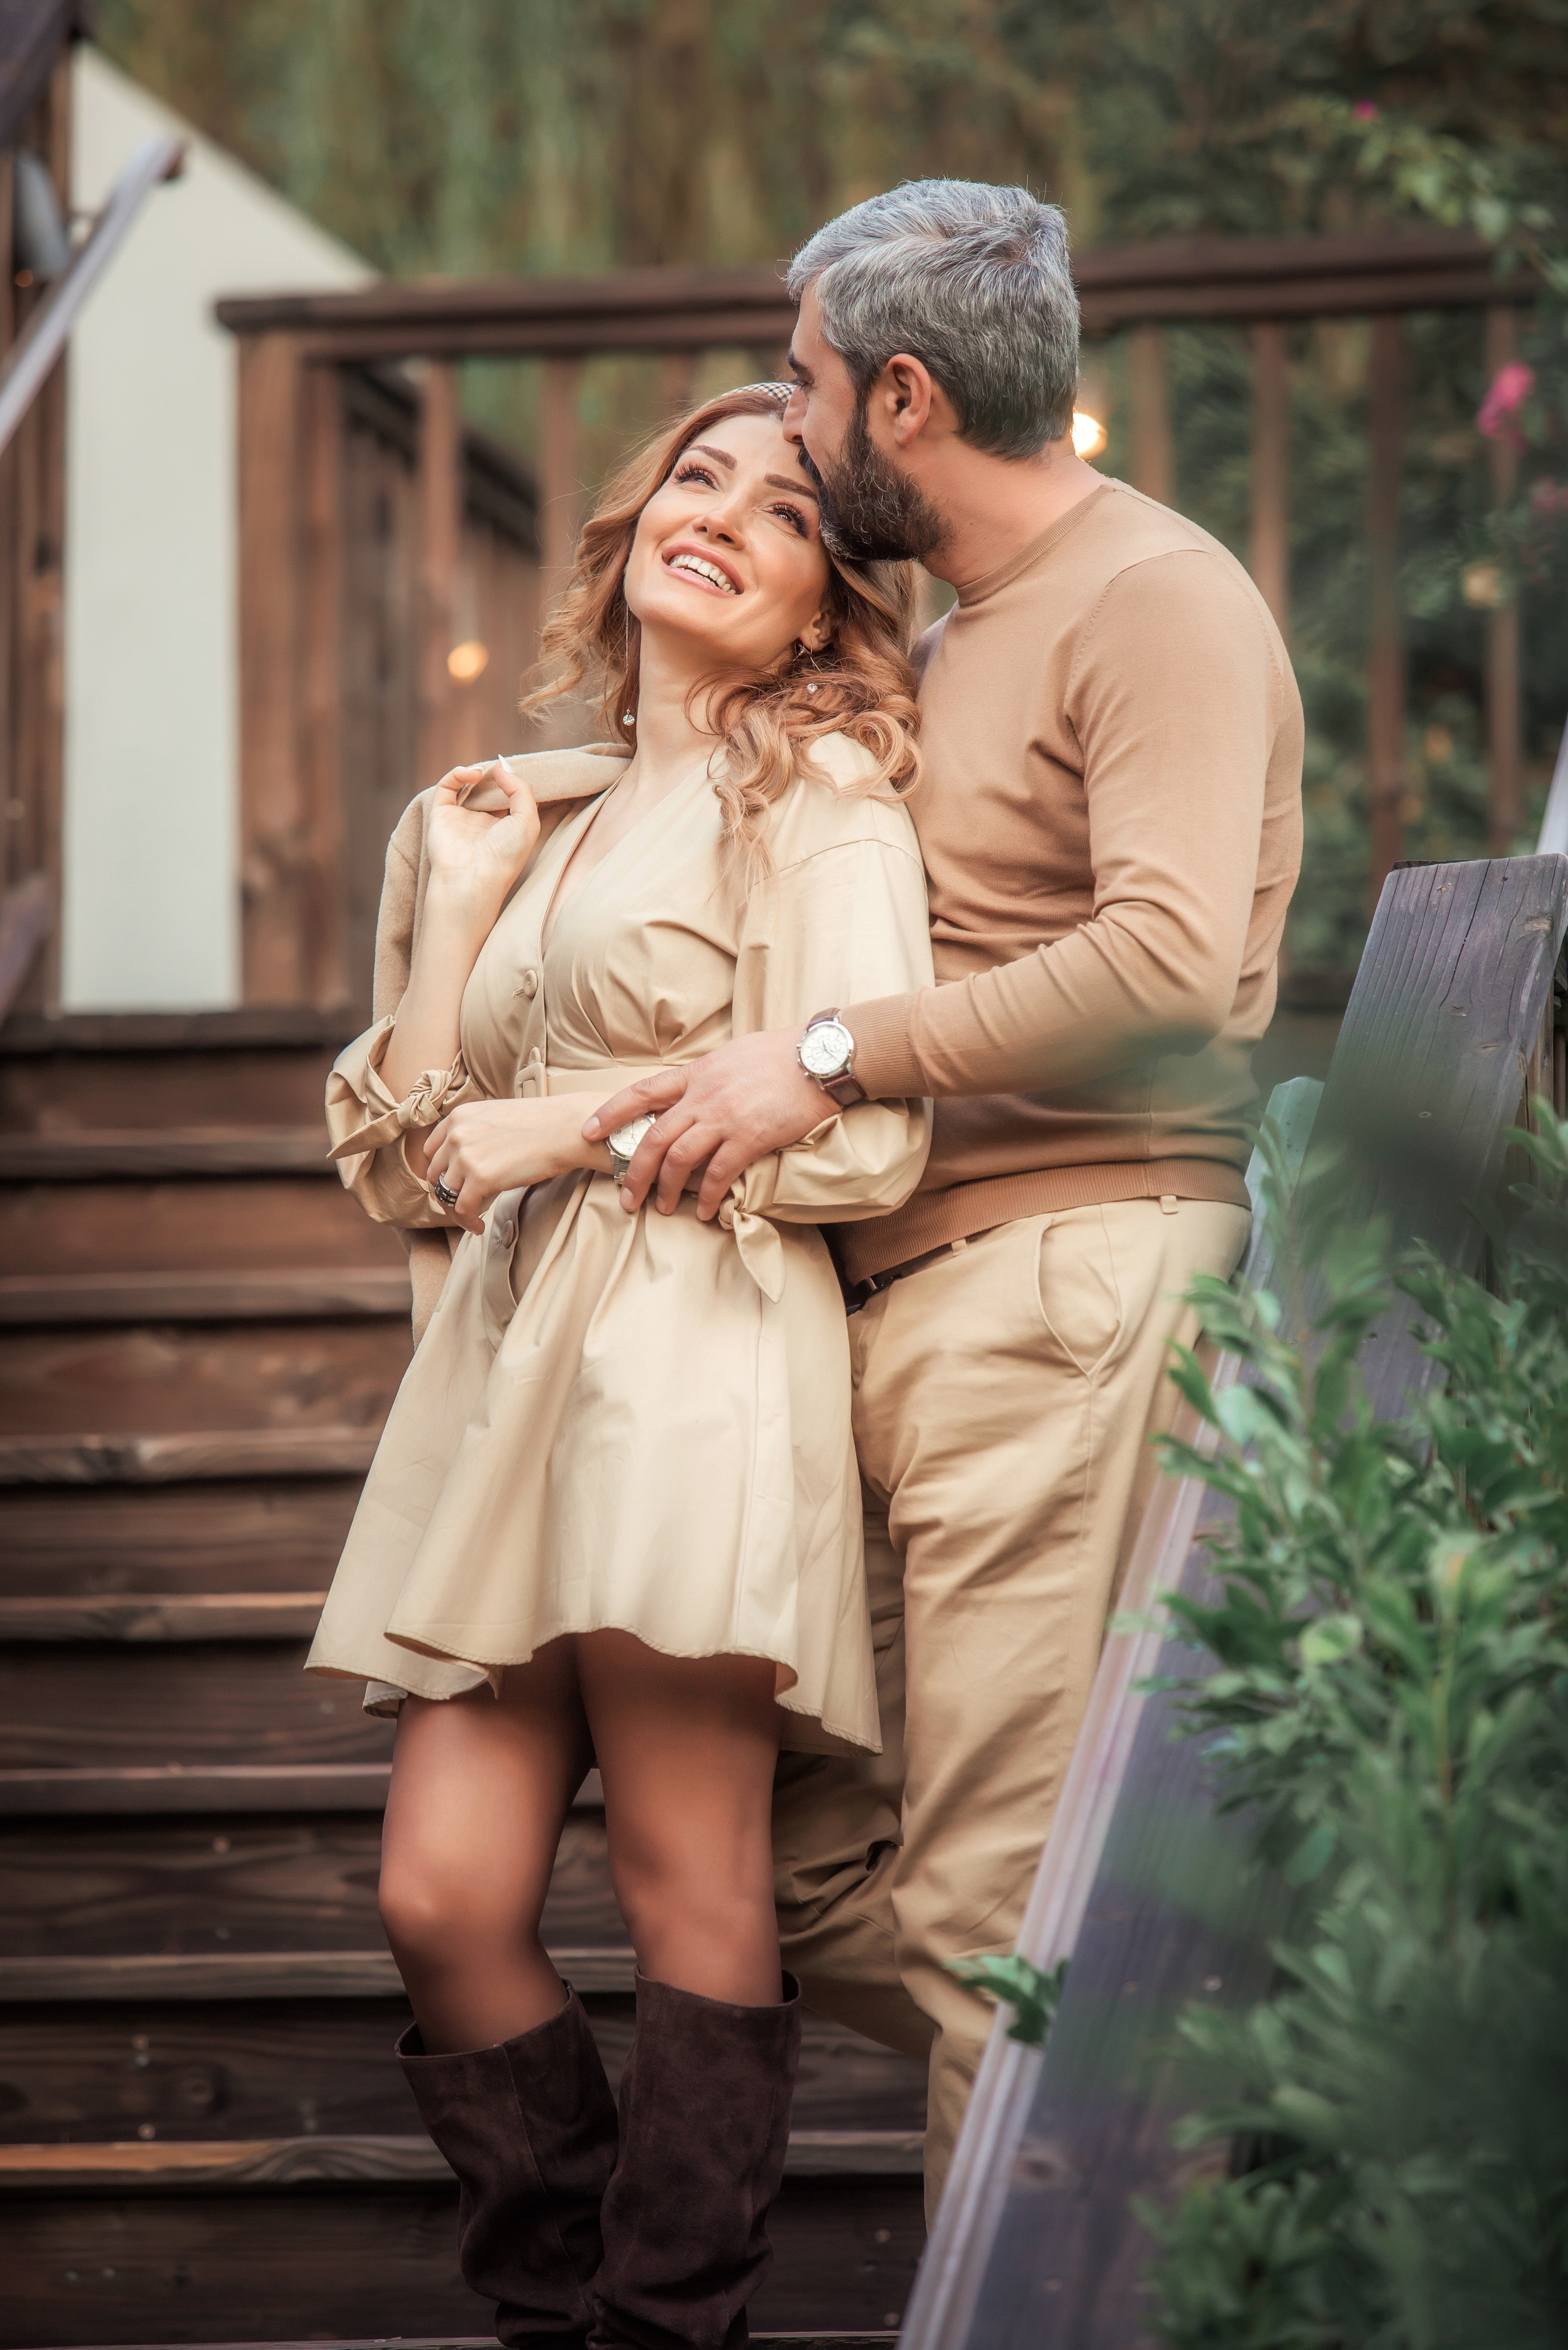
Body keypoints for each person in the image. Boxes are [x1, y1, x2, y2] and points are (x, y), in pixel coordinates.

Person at [585, 180, 1306, 2208]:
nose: (787, 427)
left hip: (1065, 1283)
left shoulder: (1150, 596)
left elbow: (1175, 965)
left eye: (806, 389)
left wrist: (822, 1055)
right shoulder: (975, 630)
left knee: (993, 1906)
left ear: (901, 397)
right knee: (801, 1865)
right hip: (901, 1306)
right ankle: (1199, 2077)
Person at [305, 383, 935, 2349]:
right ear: (633, 518)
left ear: (832, 601)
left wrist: (566, 1127)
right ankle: (573, 2315)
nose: (725, 519)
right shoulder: (516, 814)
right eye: (697, 478)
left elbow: (865, 1126)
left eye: (787, 510)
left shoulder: (820, 795)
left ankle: (671, 2329)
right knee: (443, 1899)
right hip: (508, 1384)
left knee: (687, 1883)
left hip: (695, 1355)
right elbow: (403, 1159)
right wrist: (461, 923)